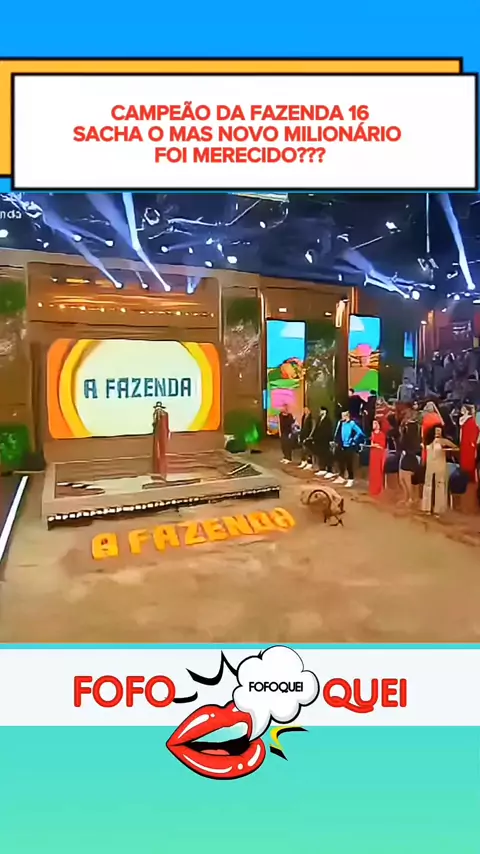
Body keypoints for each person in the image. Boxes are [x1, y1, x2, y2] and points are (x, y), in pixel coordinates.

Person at [421, 425, 458, 516]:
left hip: (440, 464)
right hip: (430, 464)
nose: (438, 432)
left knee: (440, 485)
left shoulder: (444, 441)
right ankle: (426, 508)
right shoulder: (428, 441)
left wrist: (447, 450)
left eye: (439, 431)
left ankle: (438, 509)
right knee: (428, 485)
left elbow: (456, 448)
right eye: (436, 430)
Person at [333, 411, 364, 488]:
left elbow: (360, 432)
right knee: (341, 461)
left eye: (343, 416)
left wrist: (353, 440)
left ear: (347, 416)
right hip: (342, 445)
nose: (342, 417)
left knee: (349, 463)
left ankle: (351, 478)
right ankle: (342, 477)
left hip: (349, 446)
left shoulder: (352, 423)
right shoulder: (342, 423)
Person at [398, 417, 421, 505]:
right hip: (405, 458)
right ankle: (406, 497)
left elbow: (414, 449)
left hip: (410, 460)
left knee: (407, 480)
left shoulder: (414, 439)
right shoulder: (405, 436)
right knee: (402, 479)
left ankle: (411, 498)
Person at [459, 404, 479, 481]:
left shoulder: (471, 420)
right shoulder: (462, 419)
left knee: (470, 461)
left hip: (470, 443)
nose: (461, 410)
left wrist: (473, 442)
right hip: (464, 442)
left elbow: (474, 431)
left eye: (463, 408)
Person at [312, 406, 334, 477]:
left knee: (326, 455)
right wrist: (314, 437)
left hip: (325, 441)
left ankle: (328, 470)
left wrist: (330, 440)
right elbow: (316, 429)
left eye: (321, 410)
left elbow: (329, 431)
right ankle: (322, 469)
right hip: (319, 441)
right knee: (320, 455)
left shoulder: (328, 420)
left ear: (324, 411)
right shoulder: (319, 419)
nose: (320, 412)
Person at [368, 418, 387, 496]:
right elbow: (372, 443)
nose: (373, 425)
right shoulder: (372, 433)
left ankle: (379, 489)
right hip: (373, 453)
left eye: (375, 423)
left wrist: (376, 445)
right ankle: (373, 489)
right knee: (373, 471)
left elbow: (383, 446)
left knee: (378, 471)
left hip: (379, 454)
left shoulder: (382, 434)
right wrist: (373, 445)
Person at [152, 401, 170, 478]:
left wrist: (167, 432)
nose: (158, 409)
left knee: (162, 451)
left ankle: (162, 470)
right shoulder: (155, 414)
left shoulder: (164, 414)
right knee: (158, 450)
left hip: (162, 433)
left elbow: (166, 424)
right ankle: (158, 469)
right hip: (157, 434)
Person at [298, 406, 315, 470]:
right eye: (304, 410)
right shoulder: (303, 417)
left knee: (308, 450)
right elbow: (302, 427)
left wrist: (309, 436)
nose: (305, 411)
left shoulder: (311, 419)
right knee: (303, 449)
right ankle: (304, 461)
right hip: (303, 435)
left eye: (307, 410)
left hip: (308, 436)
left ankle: (310, 463)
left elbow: (312, 428)